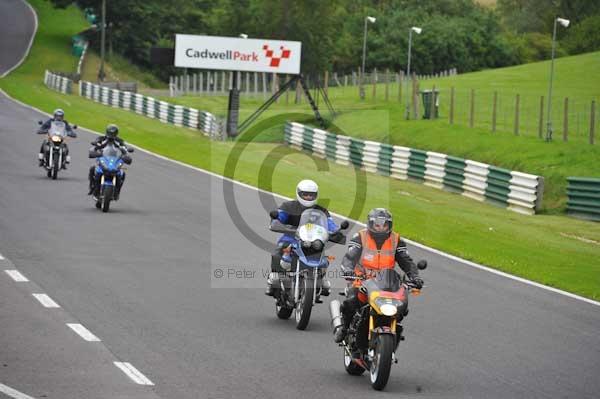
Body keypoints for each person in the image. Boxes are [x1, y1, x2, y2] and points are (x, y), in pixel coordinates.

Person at [333, 208, 424, 344]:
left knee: (401, 307)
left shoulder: (396, 240)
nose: (381, 228)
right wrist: (348, 269)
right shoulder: (360, 237)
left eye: (384, 225)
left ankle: (392, 332)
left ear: (389, 225)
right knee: (351, 302)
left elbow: (406, 261)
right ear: (370, 224)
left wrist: (415, 276)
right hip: (361, 280)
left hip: (387, 283)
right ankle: (345, 329)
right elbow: (350, 257)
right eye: (377, 225)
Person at [265, 179, 339, 296]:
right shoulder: (288, 206)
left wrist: (336, 232)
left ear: (316, 195)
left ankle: (320, 281)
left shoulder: (322, 210)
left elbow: (331, 224)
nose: (309, 197)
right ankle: (274, 279)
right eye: (306, 194)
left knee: (324, 258)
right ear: (299, 193)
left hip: (313, 241)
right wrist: (278, 223)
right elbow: (278, 218)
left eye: (312, 195)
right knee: (278, 252)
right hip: (291, 239)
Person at [88, 124, 131, 199]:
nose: (111, 135)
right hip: (103, 158)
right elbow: (95, 144)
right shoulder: (101, 138)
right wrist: (94, 149)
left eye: (113, 134)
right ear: (107, 132)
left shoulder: (119, 141)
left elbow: (125, 149)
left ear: (116, 133)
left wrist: (126, 154)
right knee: (92, 168)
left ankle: (117, 191)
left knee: (122, 173)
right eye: (110, 133)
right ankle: (92, 186)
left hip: (115, 160)